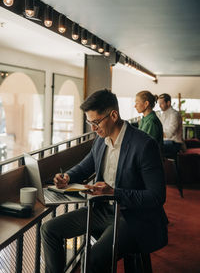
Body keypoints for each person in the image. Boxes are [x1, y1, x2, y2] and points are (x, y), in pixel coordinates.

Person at [41, 89, 168, 273]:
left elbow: (157, 197)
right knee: (49, 229)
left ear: (114, 115)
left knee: (91, 259)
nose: (92, 128)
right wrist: (67, 177)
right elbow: (85, 166)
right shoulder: (101, 140)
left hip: (133, 216)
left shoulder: (145, 145)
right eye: (89, 122)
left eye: (95, 122)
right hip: (103, 210)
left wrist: (114, 192)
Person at [158, 93, 183, 159]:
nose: (159, 106)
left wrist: (157, 133)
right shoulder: (162, 114)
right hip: (166, 142)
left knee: (154, 147)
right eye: (159, 103)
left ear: (168, 103)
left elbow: (169, 134)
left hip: (174, 143)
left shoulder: (174, 114)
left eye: (161, 103)